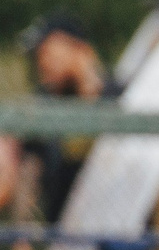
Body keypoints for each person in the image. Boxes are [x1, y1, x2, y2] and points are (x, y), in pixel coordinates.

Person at [13, 14, 115, 222]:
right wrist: (22, 237)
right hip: (64, 232)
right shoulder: (43, 103)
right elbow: (29, 170)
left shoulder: (119, 96)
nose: (42, 64)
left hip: (119, 230)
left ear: (77, 49)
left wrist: (89, 85)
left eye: (47, 52)